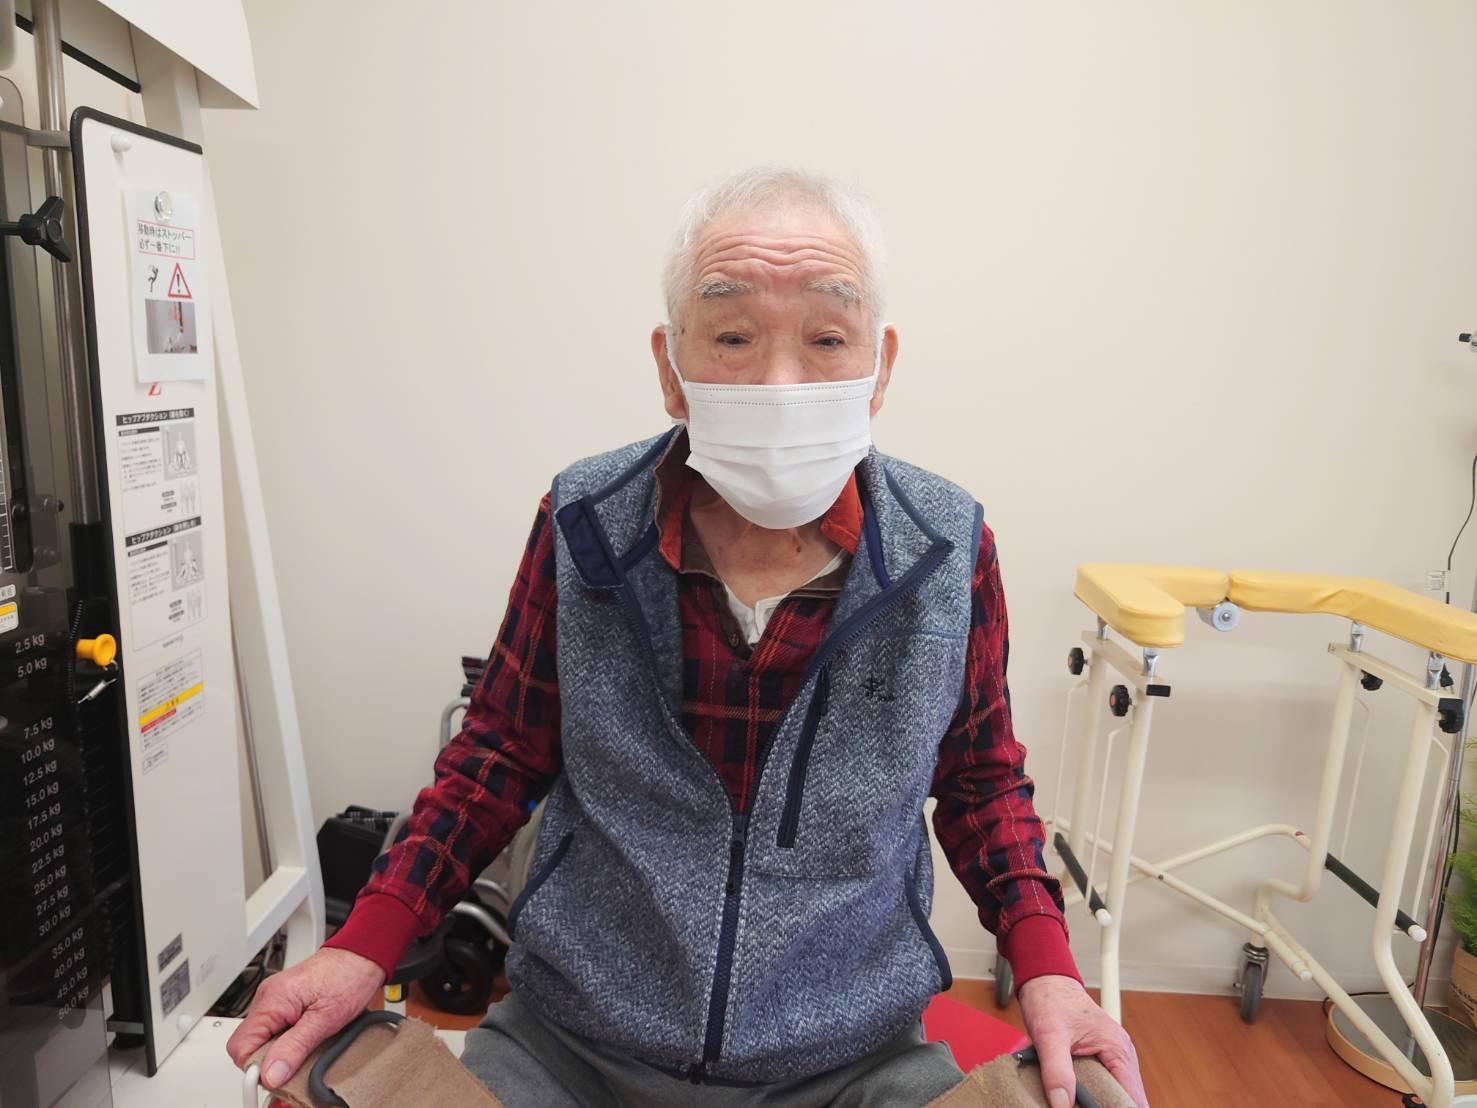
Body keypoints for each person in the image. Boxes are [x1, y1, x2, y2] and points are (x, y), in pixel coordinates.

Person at [227, 168, 1148, 1108]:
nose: (781, 382)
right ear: (671, 368)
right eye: (734, 337)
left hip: (848, 1062)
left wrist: (1049, 971)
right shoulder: (585, 522)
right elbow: (497, 753)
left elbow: (981, 783)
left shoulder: (944, 550)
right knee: (324, 1083)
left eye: (827, 338)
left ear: (879, 367)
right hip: (574, 1048)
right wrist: (362, 946)